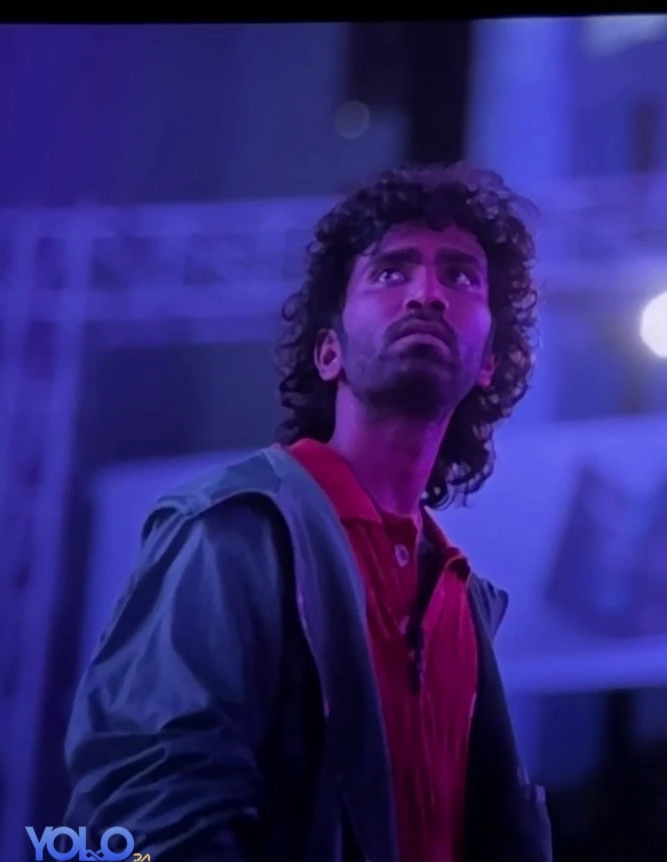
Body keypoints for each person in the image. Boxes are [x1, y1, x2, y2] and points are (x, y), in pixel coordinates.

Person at [63, 164, 552, 862]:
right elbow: (152, 810)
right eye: (391, 271)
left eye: (461, 276)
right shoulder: (234, 527)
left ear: (488, 365)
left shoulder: (462, 601)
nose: (427, 294)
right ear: (329, 352)